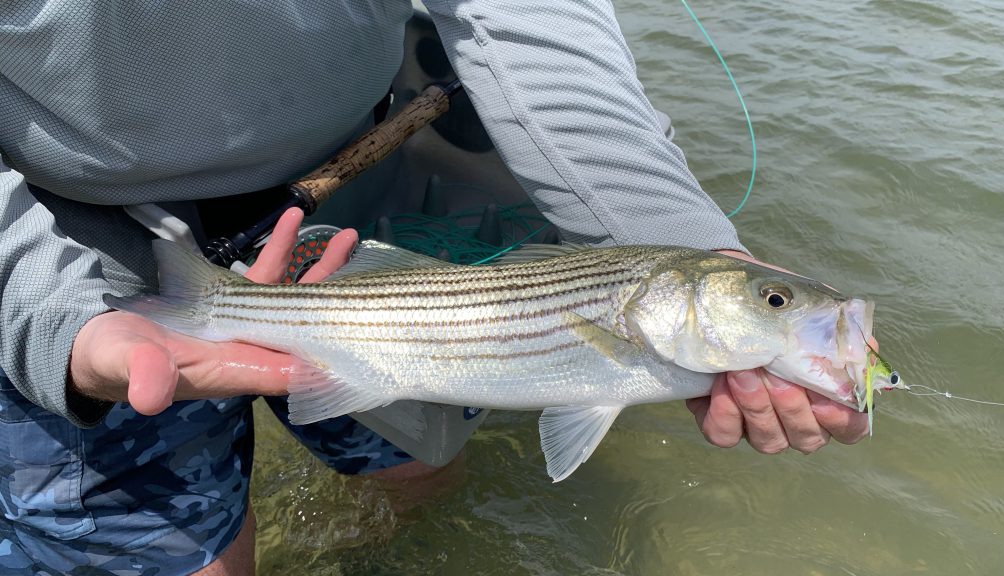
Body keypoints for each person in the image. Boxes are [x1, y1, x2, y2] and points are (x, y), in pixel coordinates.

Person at [0, 1, 868, 574]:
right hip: (65, 235)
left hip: (344, 212)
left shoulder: (655, 306)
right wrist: (52, 314)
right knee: (202, 562)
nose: (779, 308)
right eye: (774, 302)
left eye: (774, 303)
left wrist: (693, 244)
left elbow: (528, 24)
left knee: (424, 468)